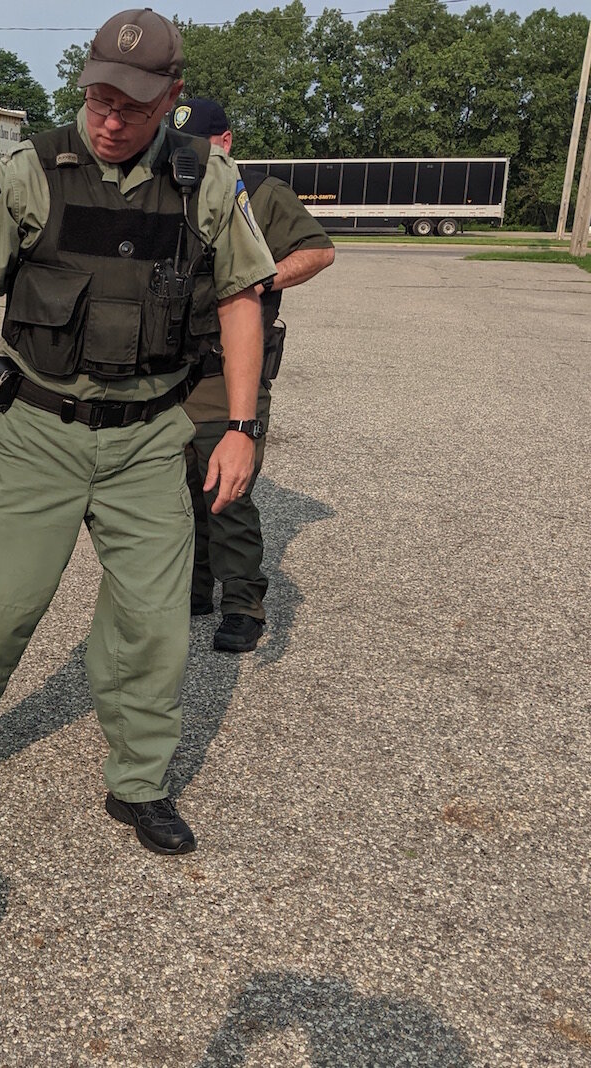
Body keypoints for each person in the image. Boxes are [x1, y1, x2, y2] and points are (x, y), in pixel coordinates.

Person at [0, 9, 276, 854]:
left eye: (130, 106)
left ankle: (138, 782)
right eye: (97, 96)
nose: (108, 118)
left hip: (147, 438)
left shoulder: (208, 180)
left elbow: (244, 297)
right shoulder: (34, 170)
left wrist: (241, 427)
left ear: (171, 99)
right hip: (38, 428)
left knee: (154, 621)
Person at [175, 98, 335, 653]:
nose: (191, 156)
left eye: (202, 144)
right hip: (175, 368)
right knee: (179, 487)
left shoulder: (263, 193)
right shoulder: (173, 189)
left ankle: (242, 601)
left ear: (227, 141)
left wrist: (257, 281)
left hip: (231, 367)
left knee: (226, 491)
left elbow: (318, 251)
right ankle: (193, 590)